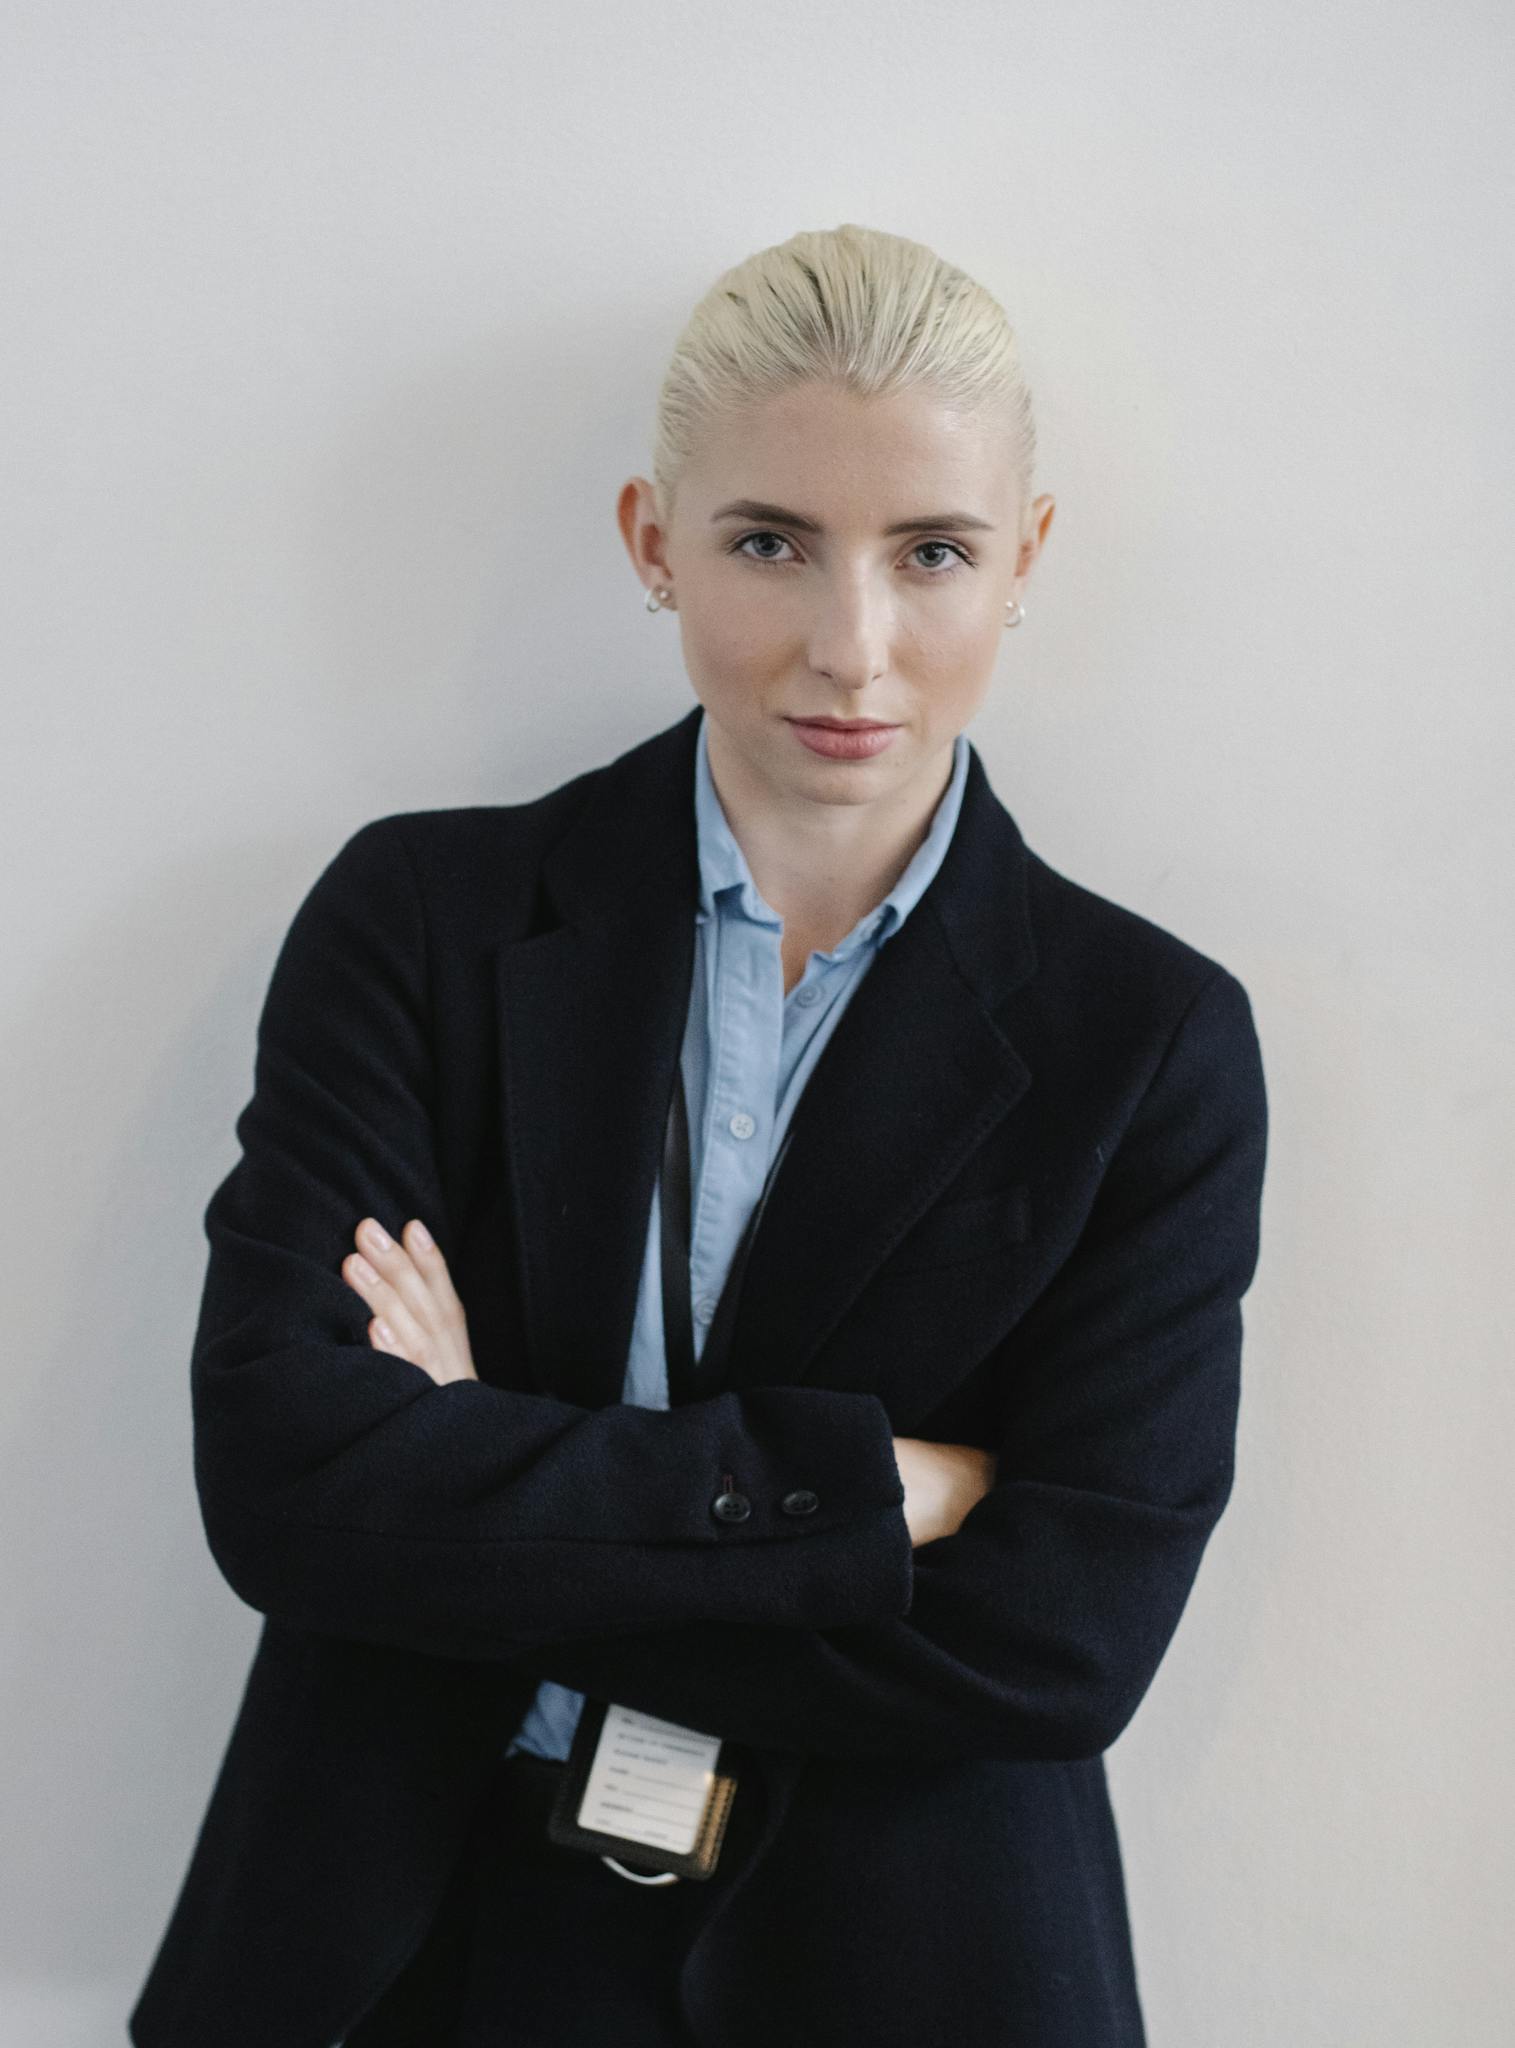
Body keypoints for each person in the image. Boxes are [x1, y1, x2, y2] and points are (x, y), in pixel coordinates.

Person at [129, 223, 1268, 2048]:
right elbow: (285, 1490)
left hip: (912, 1971)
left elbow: (1064, 1642)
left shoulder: (1149, 1040)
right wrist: (871, 1497)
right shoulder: (421, 921)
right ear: (653, 542)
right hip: (413, 1945)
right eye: (769, 544)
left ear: (1026, 560)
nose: (853, 645)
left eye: (934, 554)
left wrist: (477, 1477)